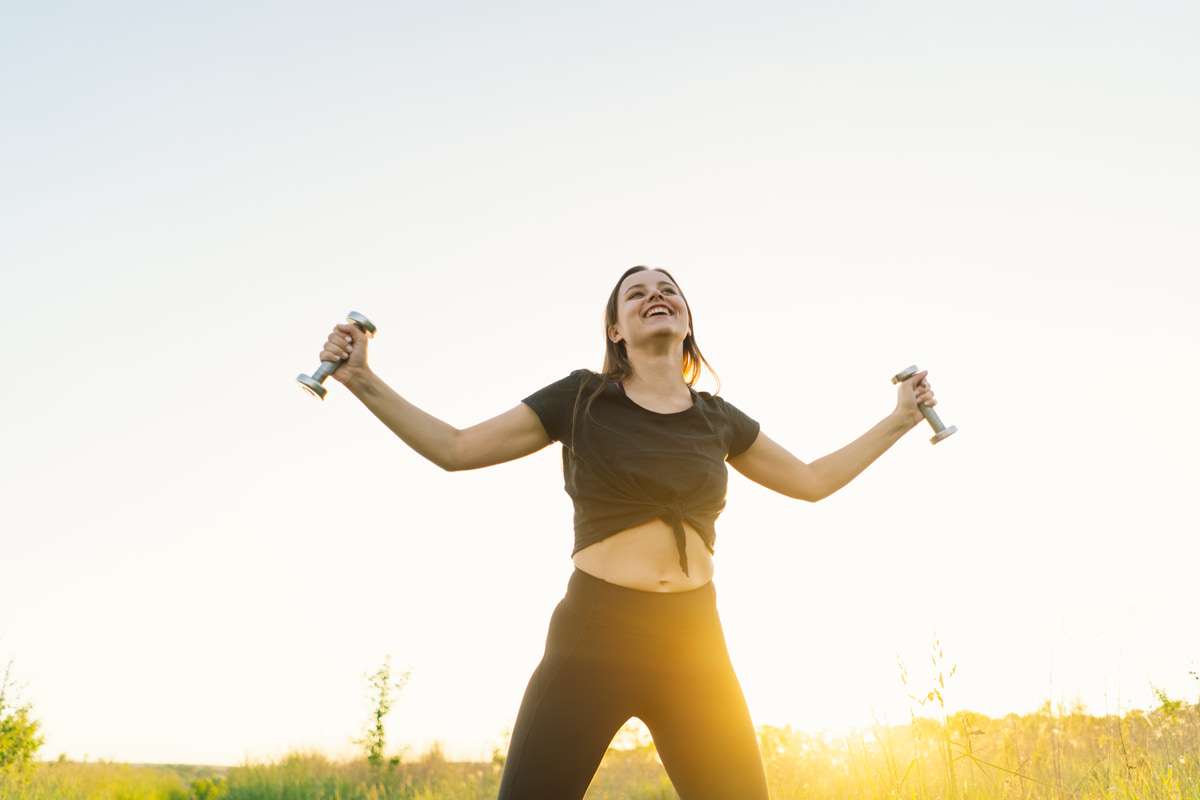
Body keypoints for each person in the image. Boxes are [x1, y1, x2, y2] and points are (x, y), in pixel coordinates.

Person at [314, 265, 941, 800]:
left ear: (687, 320)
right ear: (616, 329)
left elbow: (810, 480)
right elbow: (455, 448)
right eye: (635, 293)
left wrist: (902, 419)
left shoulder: (718, 419)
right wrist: (361, 379)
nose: (654, 295)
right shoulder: (580, 398)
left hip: (694, 641)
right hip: (595, 634)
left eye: (667, 288)